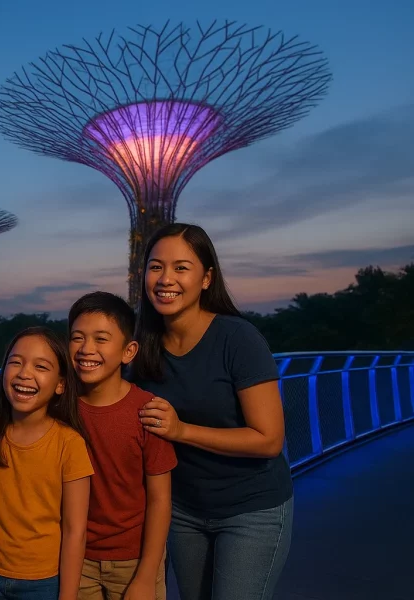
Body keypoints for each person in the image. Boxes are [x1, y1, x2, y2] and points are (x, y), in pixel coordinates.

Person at [0, 293, 176, 600]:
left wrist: (146, 574)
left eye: (101, 339)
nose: (87, 348)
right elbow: (19, 416)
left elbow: (160, 501)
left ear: (128, 351)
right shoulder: (59, 404)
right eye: (77, 337)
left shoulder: (147, 412)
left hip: (132, 558)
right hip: (76, 557)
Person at [134, 223, 293, 600]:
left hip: (251, 510)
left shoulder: (238, 339)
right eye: (155, 267)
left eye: (181, 268)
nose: (165, 279)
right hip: (182, 509)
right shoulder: (142, 346)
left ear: (206, 278)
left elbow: (269, 440)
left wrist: (181, 431)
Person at [0, 327, 94, 600]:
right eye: (15, 362)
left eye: (41, 366)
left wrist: (67, 596)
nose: (25, 373)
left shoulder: (70, 444)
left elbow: (76, 530)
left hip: (43, 581)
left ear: (61, 384)